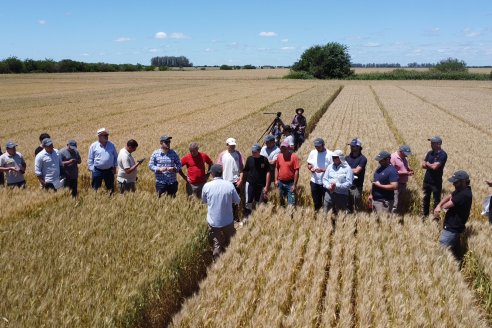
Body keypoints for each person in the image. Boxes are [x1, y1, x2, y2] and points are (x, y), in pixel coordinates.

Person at [202, 164, 241, 260]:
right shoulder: (229, 185)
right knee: (231, 241)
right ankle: (232, 259)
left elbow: (204, 201)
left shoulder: (207, 186)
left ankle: (217, 264)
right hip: (227, 220)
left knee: (217, 245)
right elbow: (237, 201)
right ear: (221, 172)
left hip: (213, 222)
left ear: (212, 174)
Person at [435, 170, 472, 260]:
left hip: (452, 228)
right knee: (455, 254)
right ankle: (457, 267)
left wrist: (440, 208)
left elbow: (448, 205)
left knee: (440, 254)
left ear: (463, 181)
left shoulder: (464, 194)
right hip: (455, 228)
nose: (453, 184)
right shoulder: (460, 190)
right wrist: (438, 206)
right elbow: (450, 196)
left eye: (455, 182)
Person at [217, 137, 244, 221]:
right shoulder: (222, 155)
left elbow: (242, 169)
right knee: (226, 201)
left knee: (235, 201)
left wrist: (241, 180)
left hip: (236, 181)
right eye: (231, 145)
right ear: (227, 145)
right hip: (225, 182)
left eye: (234, 145)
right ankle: (227, 218)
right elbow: (218, 168)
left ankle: (235, 217)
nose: (232, 147)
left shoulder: (238, 154)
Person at [422, 136, 447, 219]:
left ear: (439, 144)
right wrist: (430, 165)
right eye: (431, 143)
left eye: (433, 143)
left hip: (436, 182)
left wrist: (428, 164)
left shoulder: (443, 154)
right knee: (425, 199)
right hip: (427, 180)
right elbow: (423, 165)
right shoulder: (430, 153)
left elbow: (435, 167)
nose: (431, 144)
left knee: (436, 201)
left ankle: (435, 218)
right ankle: (425, 216)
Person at [242, 144, 271, 219]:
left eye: (254, 152)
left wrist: (267, 186)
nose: (253, 153)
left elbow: (268, 172)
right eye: (252, 151)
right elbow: (245, 171)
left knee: (259, 201)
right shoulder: (249, 159)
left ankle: (259, 217)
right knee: (248, 201)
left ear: (259, 151)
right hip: (250, 184)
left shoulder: (264, 160)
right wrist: (243, 181)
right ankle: (247, 217)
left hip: (261, 185)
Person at [323, 150, 354, 214]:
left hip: (341, 195)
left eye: (335, 157)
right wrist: (329, 186)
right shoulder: (329, 167)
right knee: (326, 212)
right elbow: (324, 179)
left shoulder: (348, 168)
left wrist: (336, 185)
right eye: (333, 157)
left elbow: (349, 183)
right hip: (329, 193)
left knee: (340, 214)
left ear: (340, 158)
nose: (333, 159)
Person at [87, 128, 118, 193]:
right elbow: (90, 158)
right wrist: (92, 169)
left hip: (109, 170)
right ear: (99, 136)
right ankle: (95, 200)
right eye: (105, 135)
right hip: (97, 171)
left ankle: (111, 200)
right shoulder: (93, 146)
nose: (107, 137)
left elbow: (115, 157)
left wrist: (115, 167)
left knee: (111, 188)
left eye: (107, 135)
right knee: (95, 188)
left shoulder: (111, 145)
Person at [307, 138, 331, 211]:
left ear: (323, 145)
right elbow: (309, 164)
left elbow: (333, 169)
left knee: (327, 203)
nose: (317, 148)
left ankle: (326, 217)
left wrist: (322, 170)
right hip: (314, 181)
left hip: (326, 183)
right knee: (316, 202)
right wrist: (310, 168)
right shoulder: (313, 152)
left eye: (319, 146)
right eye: (316, 146)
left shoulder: (330, 154)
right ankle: (318, 217)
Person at [390, 145, 414, 214]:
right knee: (395, 203)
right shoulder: (393, 157)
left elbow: (403, 167)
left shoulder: (403, 158)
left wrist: (408, 169)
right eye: (406, 154)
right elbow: (391, 172)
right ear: (401, 151)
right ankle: (392, 218)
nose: (407, 156)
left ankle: (398, 218)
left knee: (400, 202)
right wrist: (405, 173)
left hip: (403, 183)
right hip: (396, 184)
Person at [275, 141, 300, 207]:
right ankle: (282, 215)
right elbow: (277, 168)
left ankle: (290, 216)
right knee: (280, 201)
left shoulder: (294, 157)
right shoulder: (279, 156)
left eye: (285, 148)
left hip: (290, 184)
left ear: (289, 148)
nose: (283, 150)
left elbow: (297, 171)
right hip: (280, 182)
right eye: (282, 148)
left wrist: (294, 185)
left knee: (291, 203)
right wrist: (276, 180)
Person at [346, 138, 367, 213]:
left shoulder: (363, 159)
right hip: (346, 185)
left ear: (358, 147)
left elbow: (357, 171)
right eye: (351, 146)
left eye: (353, 146)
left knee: (356, 206)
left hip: (356, 186)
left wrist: (346, 170)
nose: (351, 147)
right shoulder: (346, 158)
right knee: (347, 205)